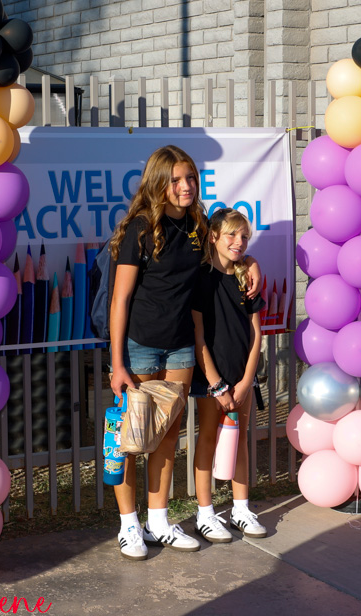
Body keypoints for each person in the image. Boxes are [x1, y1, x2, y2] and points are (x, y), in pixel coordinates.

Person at [108, 146, 260, 560]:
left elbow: (228, 242)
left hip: (180, 347)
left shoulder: (196, 226)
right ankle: (129, 526)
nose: (186, 186)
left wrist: (251, 261)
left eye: (190, 178)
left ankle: (158, 521)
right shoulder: (141, 229)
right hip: (139, 348)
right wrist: (117, 362)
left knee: (167, 437)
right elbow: (119, 300)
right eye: (176, 179)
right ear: (159, 182)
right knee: (128, 439)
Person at [190, 208, 267, 542]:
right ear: (214, 236)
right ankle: (205, 514)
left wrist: (247, 379)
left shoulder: (245, 279)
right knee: (208, 437)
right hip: (213, 378)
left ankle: (240, 508)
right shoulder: (201, 278)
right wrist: (217, 383)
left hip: (240, 376)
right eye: (232, 235)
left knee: (240, 440)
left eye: (245, 236)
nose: (239, 242)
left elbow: (256, 332)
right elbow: (198, 336)